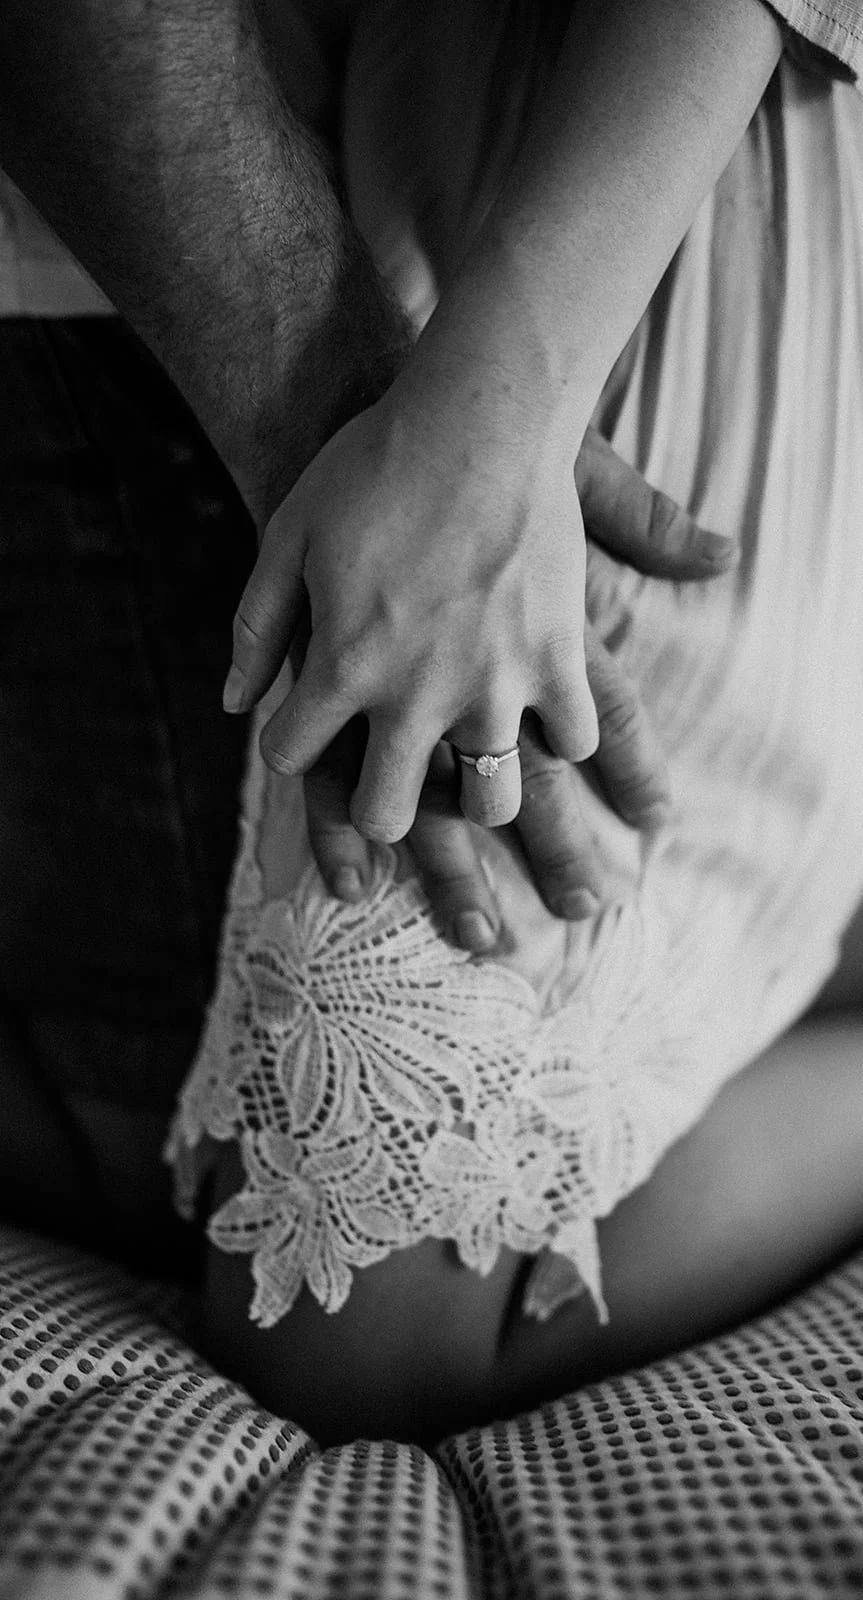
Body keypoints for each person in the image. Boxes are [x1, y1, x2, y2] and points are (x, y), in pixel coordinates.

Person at [0, 0, 724, 1263]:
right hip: (188, 259)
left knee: (242, 1197)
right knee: (216, 1175)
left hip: (612, 235)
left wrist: (479, 429)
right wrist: (386, 433)